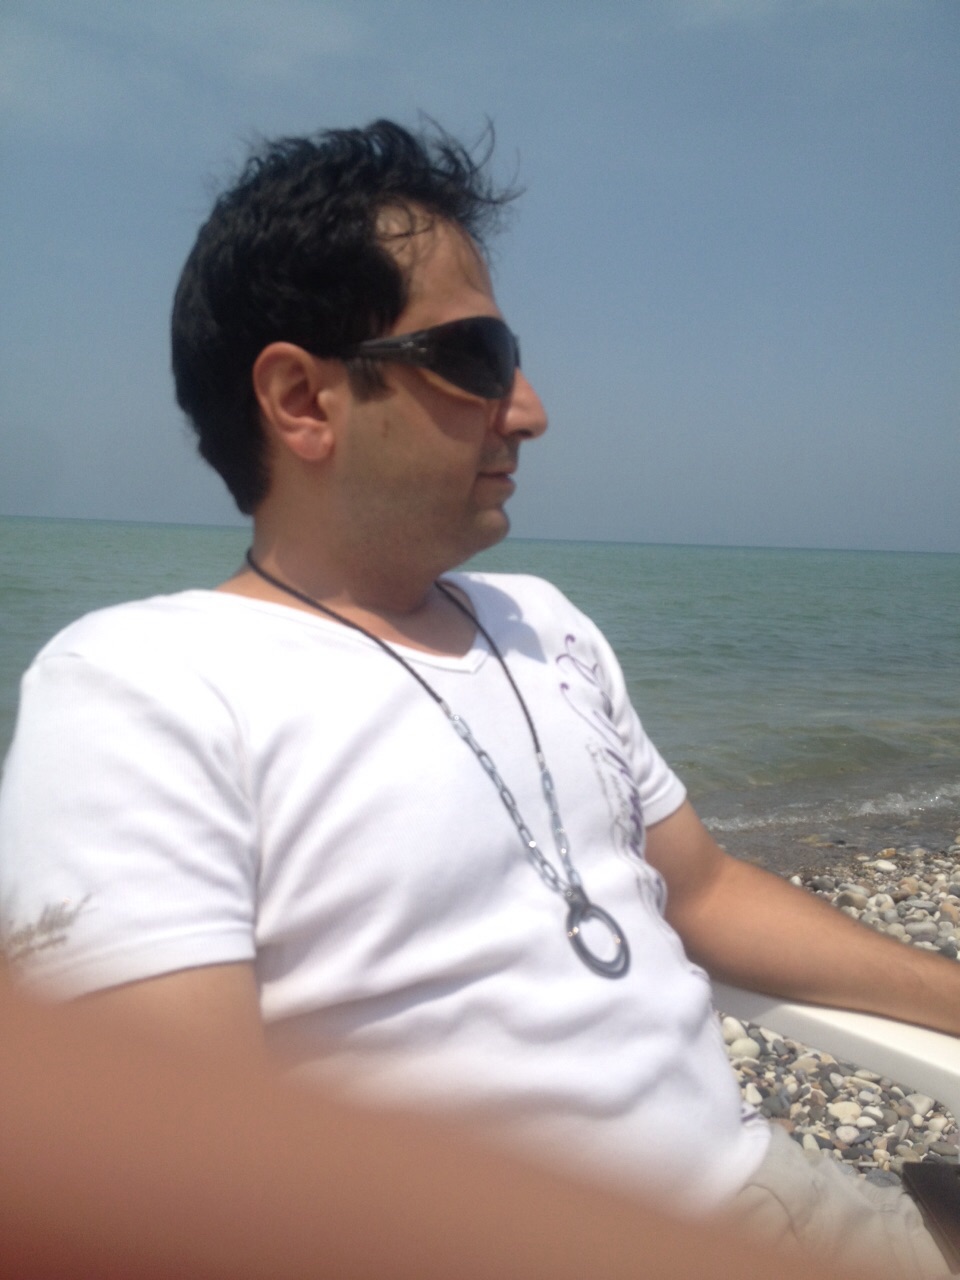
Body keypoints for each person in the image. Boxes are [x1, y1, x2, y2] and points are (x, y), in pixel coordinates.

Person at [0, 120, 956, 1277]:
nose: (531, 408)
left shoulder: (545, 623)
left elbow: (701, 887)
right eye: (478, 356)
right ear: (303, 398)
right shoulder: (142, 687)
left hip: (778, 1194)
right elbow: (170, 1167)